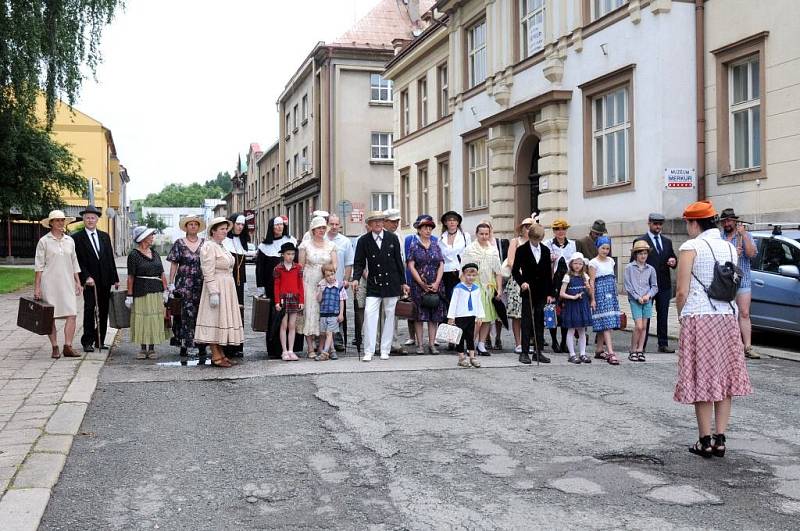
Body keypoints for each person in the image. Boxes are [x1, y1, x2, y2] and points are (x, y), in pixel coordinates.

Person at [674, 200, 752, 458]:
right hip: (726, 318)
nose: (687, 227)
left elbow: (682, 290)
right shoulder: (730, 247)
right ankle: (720, 439)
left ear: (695, 222)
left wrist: (681, 317)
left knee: (702, 379)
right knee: (724, 380)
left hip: (699, 316)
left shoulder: (691, 246)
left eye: (688, 223)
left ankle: (704, 440)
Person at [351, 211, 409, 362]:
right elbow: (359, 262)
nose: (377, 224)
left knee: (390, 317)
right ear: (369, 225)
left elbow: (399, 261)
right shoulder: (364, 240)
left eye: (380, 221)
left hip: (392, 282)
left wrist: (403, 282)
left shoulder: (392, 238)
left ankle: (385, 349)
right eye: (374, 221)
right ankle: (369, 350)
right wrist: (356, 278)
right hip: (374, 284)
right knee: (370, 315)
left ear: (384, 222)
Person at [194, 217, 245, 368]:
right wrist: (213, 292)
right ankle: (215, 354)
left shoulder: (221, 246)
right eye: (221, 229)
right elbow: (207, 270)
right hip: (216, 285)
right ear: (213, 231)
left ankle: (221, 353)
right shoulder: (209, 246)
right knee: (214, 319)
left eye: (225, 229)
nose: (224, 231)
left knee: (221, 319)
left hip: (226, 285)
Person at [34, 210, 83, 359]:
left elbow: (74, 262)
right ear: (51, 223)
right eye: (57, 220)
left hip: (67, 282)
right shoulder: (44, 241)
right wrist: (37, 287)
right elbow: (39, 266)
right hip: (50, 283)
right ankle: (55, 346)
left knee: (72, 314)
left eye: (62, 220)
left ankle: (68, 346)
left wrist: (78, 282)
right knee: (51, 317)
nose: (61, 223)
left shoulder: (70, 240)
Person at [73, 204, 119, 353]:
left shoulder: (104, 236)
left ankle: (100, 340)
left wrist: (115, 278)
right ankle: (87, 341)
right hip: (90, 281)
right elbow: (78, 261)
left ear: (97, 219)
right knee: (89, 309)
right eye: (87, 218)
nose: (90, 220)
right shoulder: (77, 238)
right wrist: (86, 277)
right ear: (83, 219)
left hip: (105, 279)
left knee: (104, 310)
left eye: (93, 218)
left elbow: (110, 259)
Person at [633, 213, 677, 354]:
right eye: (655, 224)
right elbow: (633, 264)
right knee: (646, 315)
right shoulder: (640, 241)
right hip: (646, 286)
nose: (658, 226)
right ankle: (642, 345)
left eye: (660, 224)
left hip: (664, 285)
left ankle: (663, 344)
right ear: (649, 223)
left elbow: (673, 258)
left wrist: (673, 262)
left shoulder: (667, 241)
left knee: (663, 314)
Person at [719, 208, 759, 359]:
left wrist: (743, 235)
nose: (727, 223)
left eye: (729, 220)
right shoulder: (720, 238)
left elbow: (751, 254)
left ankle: (747, 347)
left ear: (735, 221)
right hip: (725, 280)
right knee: (727, 314)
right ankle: (730, 346)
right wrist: (731, 252)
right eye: (724, 221)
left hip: (742, 280)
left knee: (744, 312)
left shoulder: (745, 235)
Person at [511, 224, 554, 364]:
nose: (536, 242)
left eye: (539, 239)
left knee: (539, 321)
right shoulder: (522, 250)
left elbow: (548, 274)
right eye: (534, 239)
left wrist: (550, 293)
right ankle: (524, 352)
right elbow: (515, 270)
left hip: (541, 291)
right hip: (528, 290)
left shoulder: (546, 250)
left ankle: (538, 351)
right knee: (526, 321)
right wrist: (522, 282)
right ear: (529, 237)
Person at [166, 216, 207, 364]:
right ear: (186, 227)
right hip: (183, 283)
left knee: (200, 314)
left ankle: (201, 345)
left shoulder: (204, 243)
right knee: (183, 314)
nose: (193, 226)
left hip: (201, 283)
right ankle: (183, 344)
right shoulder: (179, 243)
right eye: (190, 224)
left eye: (196, 224)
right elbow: (174, 264)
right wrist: (171, 283)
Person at [126, 226, 170, 360]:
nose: (152, 237)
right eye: (150, 235)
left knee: (154, 319)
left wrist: (166, 290)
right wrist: (129, 295)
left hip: (156, 291)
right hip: (141, 291)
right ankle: (142, 348)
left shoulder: (155, 253)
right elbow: (130, 277)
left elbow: (162, 273)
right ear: (142, 238)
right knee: (142, 319)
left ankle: (151, 348)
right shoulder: (134, 255)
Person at [256, 216, 297, 358]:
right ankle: (275, 349)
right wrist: (261, 287)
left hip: (290, 286)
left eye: (281, 225)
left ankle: (291, 347)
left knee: (291, 316)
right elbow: (260, 269)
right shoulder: (264, 246)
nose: (279, 228)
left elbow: (296, 266)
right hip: (272, 287)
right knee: (275, 316)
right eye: (276, 225)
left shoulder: (290, 241)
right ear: (271, 227)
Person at [298, 216, 337, 358]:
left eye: (323, 228)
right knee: (310, 312)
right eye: (319, 228)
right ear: (313, 230)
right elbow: (300, 267)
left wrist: (329, 277)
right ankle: (310, 348)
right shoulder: (305, 245)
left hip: (325, 281)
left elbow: (335, 265)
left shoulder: (330, 245)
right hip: (309, 281)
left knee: (323, 314)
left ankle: (321, 347)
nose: (321, 230)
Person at [407, 215, 446, 354]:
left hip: (436, 285)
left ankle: (432, 344)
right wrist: (421, 283)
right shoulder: (414, 246)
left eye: (430, 228)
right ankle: (420, 345)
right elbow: (411, 265)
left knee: (434, 316)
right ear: (419, 230)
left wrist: (436, 282)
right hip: (419, 286)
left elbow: (441, 264)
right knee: (419, 316)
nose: (428, 231)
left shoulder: (436, 245)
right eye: (425, 228)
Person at [463, 223, 503, 356]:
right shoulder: (470, 249)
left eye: (487, 234)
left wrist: (499, 289)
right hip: (475, 286)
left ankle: (481, 345)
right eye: (482, 234)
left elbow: (498, 271)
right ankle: (470, 345)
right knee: (476, 319)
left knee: (487, 318)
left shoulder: (493, 250)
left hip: (489, 287)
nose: (484, 236)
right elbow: (464, 270)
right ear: (477, 234)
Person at [545, 218, 577, 354]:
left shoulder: (572, 244)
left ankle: (564, 341)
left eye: (563, 228)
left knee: (565, 313)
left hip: (567, 280)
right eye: (557, 229)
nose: (560, 231)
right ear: (554, 231)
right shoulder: (548, 244)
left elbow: (576, 262)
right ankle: (554, 341)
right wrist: (549, 259)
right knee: (553, 310)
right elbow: (544, 265)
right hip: (554, 280)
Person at [222, 214, 252, 358]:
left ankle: (238, 345)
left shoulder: (243, 241)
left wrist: (245, 283)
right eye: (238, 224)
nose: (240, 227)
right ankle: (226, 346)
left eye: (242, 224)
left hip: (239, 284)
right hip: (227, 282)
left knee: (239, 314)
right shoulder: (224, 241)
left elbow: (242, 266)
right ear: (232, 224)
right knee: (227, 313)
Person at [625, 240, 658, 362]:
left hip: (647, 300)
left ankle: (640, 350)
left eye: (645, 253)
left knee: (644, 326)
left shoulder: (651, 269)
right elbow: (628, 286)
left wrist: (648, 296)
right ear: (635, 255)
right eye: (640, 253)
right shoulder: (629, 268)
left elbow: (654, 286)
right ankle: (633, 350)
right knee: (638, 326)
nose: (643, 256)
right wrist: (637, 297)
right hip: (635, 300)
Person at [589, 236, 621, 365]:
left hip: (610, 292)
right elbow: (592, 281)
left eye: (607, 248)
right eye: (603, 248)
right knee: (607, 323)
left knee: (606, 321)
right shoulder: (593, 263)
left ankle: (599, 349)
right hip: (600, 293)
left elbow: (612, 278)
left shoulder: (611, 261)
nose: (605, 251)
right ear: (598, 248)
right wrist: (592, 298)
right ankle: (611, 352)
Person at [504, 218, 533, 354]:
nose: (528, 229)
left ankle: (527, 342)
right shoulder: (515, 241)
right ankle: (518, 343)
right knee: (517, 314)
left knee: (529, 312)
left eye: (531, 226)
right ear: (522, 228)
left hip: (533, 280)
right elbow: (510, 261)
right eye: (526, 226)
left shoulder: (536, 243)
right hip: (518, 280)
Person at [326, 214, 354, 352]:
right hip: (324, 283)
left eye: (337, 224)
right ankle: (323, 339)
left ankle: (339, 339)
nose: (334, 227)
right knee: (324, 311)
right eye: (332, 224)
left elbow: (349, 263)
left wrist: (346, 280)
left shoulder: (345, 241)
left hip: (338, 283)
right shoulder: (322, 239)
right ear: (327, 224)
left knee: (339, 312)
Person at [447, 262, 484, 368]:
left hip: (471, 315)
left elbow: (478, 302)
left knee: (470, 337)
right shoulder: (458, 288)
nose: (471, 278)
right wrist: (451, 317)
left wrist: (480, 316)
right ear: (463, 275)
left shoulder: (476, 288)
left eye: (473, 275)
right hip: (460, 316)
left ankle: (472, 357)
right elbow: (453, 303)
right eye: (468, 275)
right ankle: (461, 358)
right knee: (460, 337)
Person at [559, 253, 593, 364]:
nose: (577, 265)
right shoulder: (567, 276)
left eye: (580, 263)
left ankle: (582, 353)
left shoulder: (585, 276)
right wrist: (573, 297)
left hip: (582, 304)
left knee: (582, 330)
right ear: (571, 264)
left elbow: (589, 292)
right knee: (571, 329)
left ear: (583, 264)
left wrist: (588, 288)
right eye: (575, 263)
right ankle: (572, 354)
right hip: (572, 305)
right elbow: (562, 293)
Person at [273, 242, 304, 361]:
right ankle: (284, 351)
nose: (290, 256)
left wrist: (301, 300)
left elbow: (300, 285)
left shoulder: (298, 268)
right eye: (288, 254)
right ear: (283, 255)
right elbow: (276, 286)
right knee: (284, 325)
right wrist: (277, 302)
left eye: (292, 254)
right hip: (283, 299)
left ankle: (291, 350)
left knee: (292, 325)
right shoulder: (278, 268)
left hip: (295, 298)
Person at [382, 208, 404, 353]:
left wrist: (403, 281)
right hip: (381, 280)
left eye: (397, 222)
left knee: (393, 312)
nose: (395, 224)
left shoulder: (399, 236)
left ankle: (394, 341)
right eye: (392, 222)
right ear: (385, 222)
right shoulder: (380, 236)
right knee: (380, 314)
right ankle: (381, 341)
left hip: (395, 279)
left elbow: (402, 259)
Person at [315, 263, 347, 361]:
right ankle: (332, 351)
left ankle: (324, 353)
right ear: (324, 276)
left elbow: (342, 301)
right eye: (328, 275)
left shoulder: (339, 285)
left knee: (329, 333)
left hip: (334, 313)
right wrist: (320, 290)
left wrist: (341, 313)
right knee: (325, 333)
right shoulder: (322, 284)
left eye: (332, 274)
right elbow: (319, 299)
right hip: (324, 313)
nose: (330, 277)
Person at [439, 211, 471, 305]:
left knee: (462, 298)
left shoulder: (465, 236)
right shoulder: (440, 239)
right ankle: (450, 319)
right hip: (446, 272)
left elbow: (469, 254)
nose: (452, 222)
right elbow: (440, 257)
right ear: (445, 223)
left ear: (458, 222)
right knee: (449, 299)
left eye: (454, 220)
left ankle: (460, 319)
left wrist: (467, 271)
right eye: (449, 220)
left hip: (461, 271)